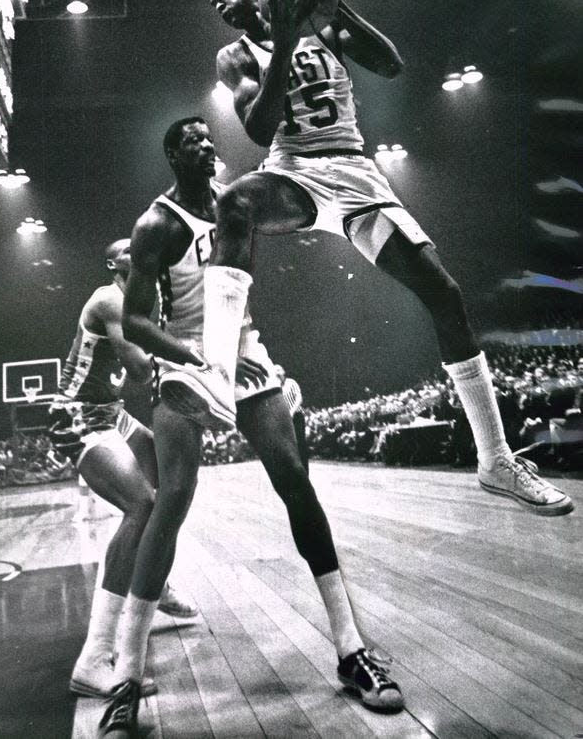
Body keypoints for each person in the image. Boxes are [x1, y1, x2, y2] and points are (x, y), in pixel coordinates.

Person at [160, 0, 573, 518]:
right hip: (294, 173)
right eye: (214, 4)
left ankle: (495, 460)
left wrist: (334, 8)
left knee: (444, 296)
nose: (220, 5)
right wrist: (282, 42)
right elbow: (259, 130)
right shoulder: (235, 56)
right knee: (235, 201)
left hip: (356, 176)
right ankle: (217, 371)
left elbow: (392, 65)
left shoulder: (321, 26)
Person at [102, 116, 404, 736]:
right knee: (173, 498)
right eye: (192, 140)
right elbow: (134, 320)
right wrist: (189, 356)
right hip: (185, 358)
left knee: (295, 478)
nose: (208, 144)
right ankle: (126, 675)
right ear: (170, 156)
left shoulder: (238, 203)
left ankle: (351, 649)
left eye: (210, 137)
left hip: (243, 355)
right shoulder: (157, 224)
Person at [48, 240, 197, 702]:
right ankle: (93, 659)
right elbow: (136, 370)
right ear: (114, 263)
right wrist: (190, 357)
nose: (142, 249)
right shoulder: (109, 299)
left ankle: (152, 577)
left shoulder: (142, 304)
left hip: (110, 413)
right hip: (77, 415)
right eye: (130, 249)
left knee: (173, 487)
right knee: (142, 505)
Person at [274, 363, 309, 471]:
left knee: (300, 443)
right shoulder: (274, 387)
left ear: (284, 372)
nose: (277, 372)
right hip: (283, 420)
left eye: (279, 369)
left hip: (297, 416)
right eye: (274, 371)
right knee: (287, 446)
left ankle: (304, 472)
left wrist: (292, 412)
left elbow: (299, 398)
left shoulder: (291, 382)